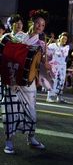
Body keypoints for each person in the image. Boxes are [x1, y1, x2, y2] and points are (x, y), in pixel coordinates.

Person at [1, 10, 48, 154]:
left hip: (29, 83)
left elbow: (41, 64)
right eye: (37, 23)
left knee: (32, 113)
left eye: (43, 24)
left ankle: (31, 137)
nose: (40, 26)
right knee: (10, 111)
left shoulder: (41, 43)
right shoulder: (17, 37)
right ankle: (9, 141)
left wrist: (46, 66)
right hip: (13, 81)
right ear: (31, 23)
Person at [46, 32, 70, 102]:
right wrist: (49, 42)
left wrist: (57, 47)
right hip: (54, 65)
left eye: (65, 39)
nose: (64, 40)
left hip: (62, 66)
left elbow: (63, 54)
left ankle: (59, 97)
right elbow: (46, 50)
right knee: (53, 80)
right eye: (63, 38)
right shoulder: (53, 45)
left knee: (61, 81)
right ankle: (49, 96)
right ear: (59, 38)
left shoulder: (66, 47)